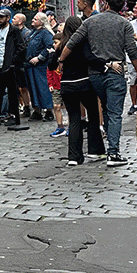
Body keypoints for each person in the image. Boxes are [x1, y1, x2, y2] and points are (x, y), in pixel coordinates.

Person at [59, 0, 137, 166]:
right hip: (115, 72)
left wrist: (61, 60)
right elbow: (132, 50)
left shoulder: (90, 22)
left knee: (104, 108)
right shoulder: (124, 24)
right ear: (121, 8)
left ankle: (104, 149)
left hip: (95, 74)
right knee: (114, 113)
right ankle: (113, 153)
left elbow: (72, 42)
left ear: (106, 4)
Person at [50, 16, 103, 166]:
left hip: (67, 85)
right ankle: (95, 150)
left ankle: (74, 156)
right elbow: (91, 59)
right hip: (84, 83)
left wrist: (55, 54)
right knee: (93, 114)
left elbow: (50, 64)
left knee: (74, 119)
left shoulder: (62, 45)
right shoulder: (83, 43)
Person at [0, 8, 26, 126]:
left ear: (8, 18)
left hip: (9, 66)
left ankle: (13, 115)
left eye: (2, 17)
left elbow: (21, 47)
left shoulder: (13, 30)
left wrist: (12, 61)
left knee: (12, 92)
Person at [24, 12, 54, 121]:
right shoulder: (32, 33)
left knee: (43, 88)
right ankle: (37, 111)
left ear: (41, 22)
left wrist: (39, 57)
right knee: (33, 88)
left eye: (35, 19)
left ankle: (49, 111)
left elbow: (50, 46)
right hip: (30, 66)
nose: (32, 20)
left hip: (40, 67)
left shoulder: (45, 33)